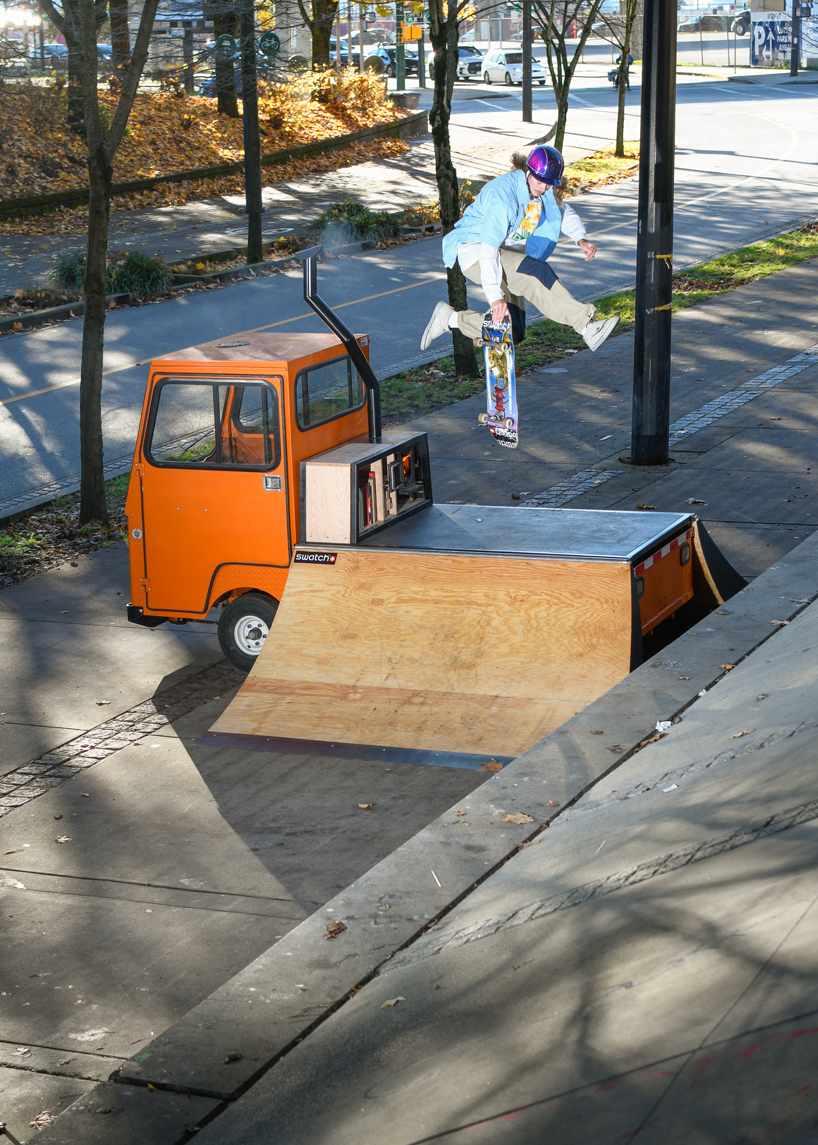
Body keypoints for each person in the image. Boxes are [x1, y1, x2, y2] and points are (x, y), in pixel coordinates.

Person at [420, 145, 618, 354]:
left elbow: (562, 213)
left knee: (511, 331)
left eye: (548, 184)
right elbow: (488, 251)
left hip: (506, 256)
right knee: (537, 271)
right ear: (528, 171)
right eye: (540, 182)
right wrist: (494, 296)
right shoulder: (503, 199)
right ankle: (586, 327)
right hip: (476, 253)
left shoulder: (541, 189)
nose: (544, 188)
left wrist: (581, 240)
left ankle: (449, 319)